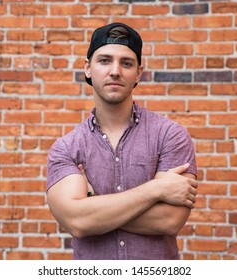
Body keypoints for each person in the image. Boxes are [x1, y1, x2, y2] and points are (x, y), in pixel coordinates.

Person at [46, 22, 198, 260]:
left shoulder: (171, 136)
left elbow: (169, 220)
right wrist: (156, 189)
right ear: (88, 68)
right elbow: (78, 222)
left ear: (138, 73)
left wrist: (93, 206)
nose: (115, 71)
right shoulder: (67, 148)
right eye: (105, 60)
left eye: (126, 63)